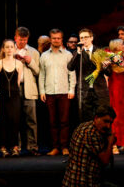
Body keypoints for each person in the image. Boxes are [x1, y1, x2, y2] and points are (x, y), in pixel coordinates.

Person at [39, 28, 76, 156]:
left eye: (58, 38)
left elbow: (72, 74)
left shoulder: (67, 55)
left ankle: (65, 146)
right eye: (54, 38)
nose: (56, 40)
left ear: (62, 39)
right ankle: (55, 147)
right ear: (50, 39)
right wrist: (42, 91)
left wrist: (71, 89)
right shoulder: (44, 55)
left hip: (64, 91)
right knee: (52, 121)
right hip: (49, 92)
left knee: (64, 121)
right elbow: (42, 74)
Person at [62, 105, 117, 187]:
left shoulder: (85, 126)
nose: (108, 126)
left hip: (73, 181)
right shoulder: (92, 133)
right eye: (105, 121)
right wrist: (110, 143)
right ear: (96, 118)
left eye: (110, 123)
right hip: (82, 182)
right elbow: (105, 160)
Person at [67, 28, 111, 123]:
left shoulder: (100, 52)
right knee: (86, 120)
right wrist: (78, 53)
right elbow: (70, 67)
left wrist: (105, 66)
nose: (83, 40)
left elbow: (109, 72)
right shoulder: (78, 53)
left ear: (91, 38)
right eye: (81, 38)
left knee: (102, 118)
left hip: (99, 91)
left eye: (86, 37)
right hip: (84, 91)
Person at [0, 39, 23, 157]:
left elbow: (17, 82)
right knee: (3, 122)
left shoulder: (19, 64)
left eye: (12, 47)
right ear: (3, 49)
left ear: (14, 49)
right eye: (7, 47)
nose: (9, 49)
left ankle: (15, 146)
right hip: (2, 97)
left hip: (15, 97)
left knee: (15, 121)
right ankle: (3, 147)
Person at [14, 27, 41, 156]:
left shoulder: (34, 52)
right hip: (14, 89)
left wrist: (30, 62)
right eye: (20, 40)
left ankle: (33, 147)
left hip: (29, 88)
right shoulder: (9, 49)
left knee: (31, 120)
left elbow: (38, 72)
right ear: (15, 38)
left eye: (25, 40)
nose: (22, 42)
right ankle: (16, 147)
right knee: (15, 120)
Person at [107, 39, 124, 154]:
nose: (123, 45)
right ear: (116, 46)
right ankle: (114, 145)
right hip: (115, 88)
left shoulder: (122, 57)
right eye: (121, 44)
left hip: (123, 89)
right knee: (116, 116)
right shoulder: (112, 56)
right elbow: (117, 70)